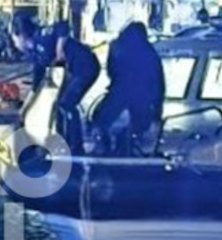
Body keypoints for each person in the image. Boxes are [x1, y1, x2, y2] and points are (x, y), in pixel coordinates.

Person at [12, 18, 100, 155]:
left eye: (14, 40)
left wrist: (59, 49)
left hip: (86, 66)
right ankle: (61, 141)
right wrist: (24, 110)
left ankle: (75, 147)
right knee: (59, 105)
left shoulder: (42, 35)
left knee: (67, 104)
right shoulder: (36, 54)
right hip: (75, 70)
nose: (15, 44)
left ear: (21, 35)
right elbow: (35, 87)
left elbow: (63, 26)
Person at [91, 22, 165, 155]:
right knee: (141, 123)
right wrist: (157, 112)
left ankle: (105, 145)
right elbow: (157, 80)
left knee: (101, 119)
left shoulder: (117, 47)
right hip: (141, 94)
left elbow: (111, 71)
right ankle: (127, 143)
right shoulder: (149, 51)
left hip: (120, 90)